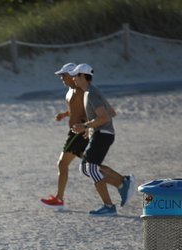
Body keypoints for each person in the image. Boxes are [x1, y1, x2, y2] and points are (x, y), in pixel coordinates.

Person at [70, 64, 135, 216]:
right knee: (85, 169)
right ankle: (122, 182)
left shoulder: (91, 94)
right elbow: (111, 112)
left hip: (104, 134)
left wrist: (86, 125)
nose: (73, 78)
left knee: (91, 168)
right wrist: (91, 128)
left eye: (75, 75)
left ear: (83, 76)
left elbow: (105, 116)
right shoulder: (91, 92)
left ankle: (109, 206)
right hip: (102, 133)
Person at [40, 63, 89, 209]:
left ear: (72, 75)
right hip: (75, 131)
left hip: (78, 132)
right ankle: (121, 182)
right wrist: (65, 114)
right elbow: (75, 109)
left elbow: (88, 110)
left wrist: (86, 127)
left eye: (63, 75)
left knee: (62, 164)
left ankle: (59, 199)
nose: (61, 78)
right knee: (91, 165)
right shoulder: (70, 91)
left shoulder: (80, 91)